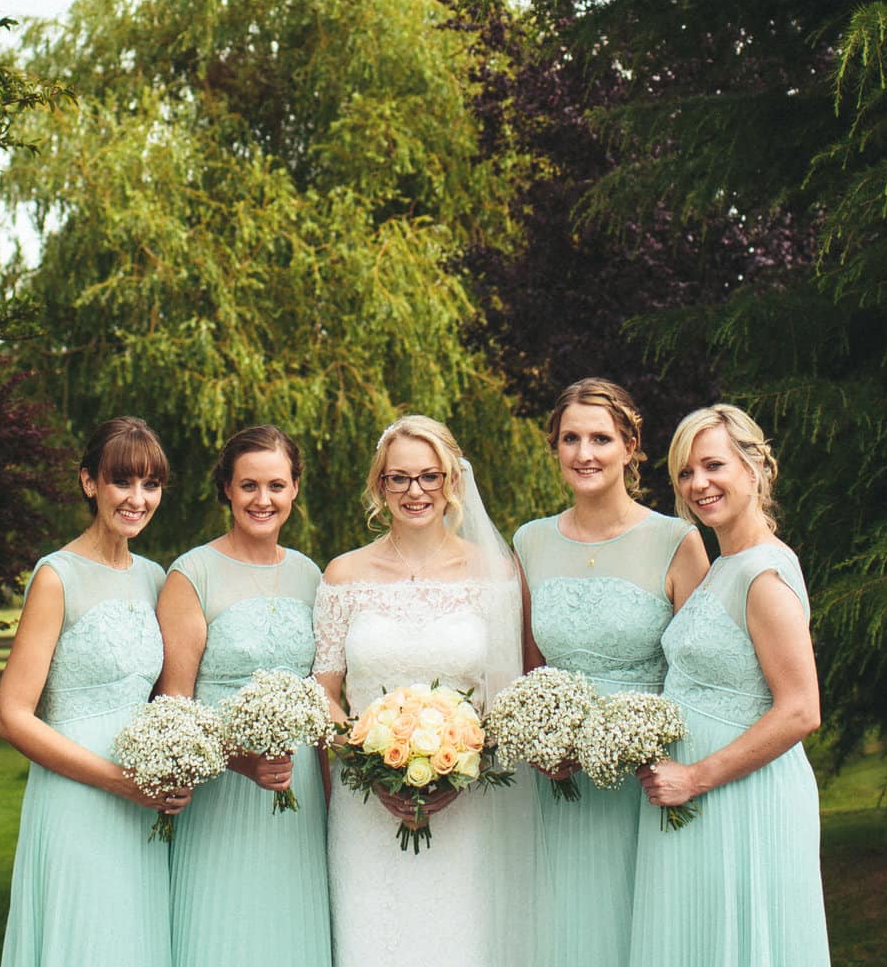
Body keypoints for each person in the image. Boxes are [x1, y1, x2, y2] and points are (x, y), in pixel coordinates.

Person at [313, 415, 534, 966]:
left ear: (452, 482)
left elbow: (507, 698)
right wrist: (369, 768)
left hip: (468, 803)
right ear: (379, 485)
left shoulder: (495, 572)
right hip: (366, 805)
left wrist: (460, 768)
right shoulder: (342, 575)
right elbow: (325, 695)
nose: (415, 491)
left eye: (429, 476)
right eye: (399, 478)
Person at [512, 379, 709, 967]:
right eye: (570, 438)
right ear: (555, 448)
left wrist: (661, 755)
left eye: (600, 438)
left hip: (648, 778)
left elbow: (697, 670)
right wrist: (539, 743)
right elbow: (530, 667)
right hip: (559, 783)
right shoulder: (529, 542)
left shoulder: (678, 541)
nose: (584, 453)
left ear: (630, 445)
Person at [627, 403, 828, 966]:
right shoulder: (723, 565)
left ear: (755, 467)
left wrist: (695, 776)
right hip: (698, 800)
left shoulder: (764, 575)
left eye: (713, 465)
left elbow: (800, 710)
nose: (699, 484)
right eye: (686, 473)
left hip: (743, 798)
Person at [0, 416, 186, 966]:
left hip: (143, 805)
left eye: (150, 485)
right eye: (122, 481)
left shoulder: (155, 578)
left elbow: (162, 697)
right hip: (77, 798)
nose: (137, 499)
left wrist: (174, 765)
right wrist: (118, 781)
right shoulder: (57, 577)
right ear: (89, 483)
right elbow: (12, 716)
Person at [160, 425, 333, 967]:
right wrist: (241, 762)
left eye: (276, 486)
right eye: (249, 486)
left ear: (295, 489)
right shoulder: (192, 575)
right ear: (228, 490)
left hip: (297, 797)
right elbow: (174, 712)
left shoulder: (311, 576)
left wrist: (331, 802)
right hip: (220, 796)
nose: (264, 500)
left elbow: (323, 696)